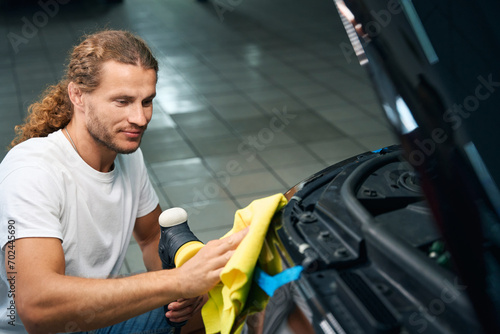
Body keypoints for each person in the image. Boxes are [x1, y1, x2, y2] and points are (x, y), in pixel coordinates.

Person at [0, 30, 247, 334]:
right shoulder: (31, 171)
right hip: (45, 327)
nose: (140, 118)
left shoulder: (126, 153)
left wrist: (183, 290)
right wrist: (177, 281)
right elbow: (36, 307)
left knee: (226, 301)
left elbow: (151, 237)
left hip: (92, 317)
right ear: (78, 95)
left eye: (147, 101)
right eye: (123, 101)